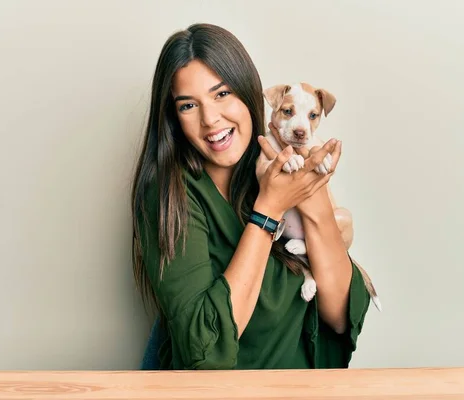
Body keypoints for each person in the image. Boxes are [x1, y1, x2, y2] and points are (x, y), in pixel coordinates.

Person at [131, 22, 370, 370]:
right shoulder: (172, 194)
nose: (211, 119)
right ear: (173, 118)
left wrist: (311, 197)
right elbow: (206, 350)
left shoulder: (277, 165)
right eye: (188, 106)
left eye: (222, 93)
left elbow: (338, 317)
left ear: (247, 93)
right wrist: (268, 210)